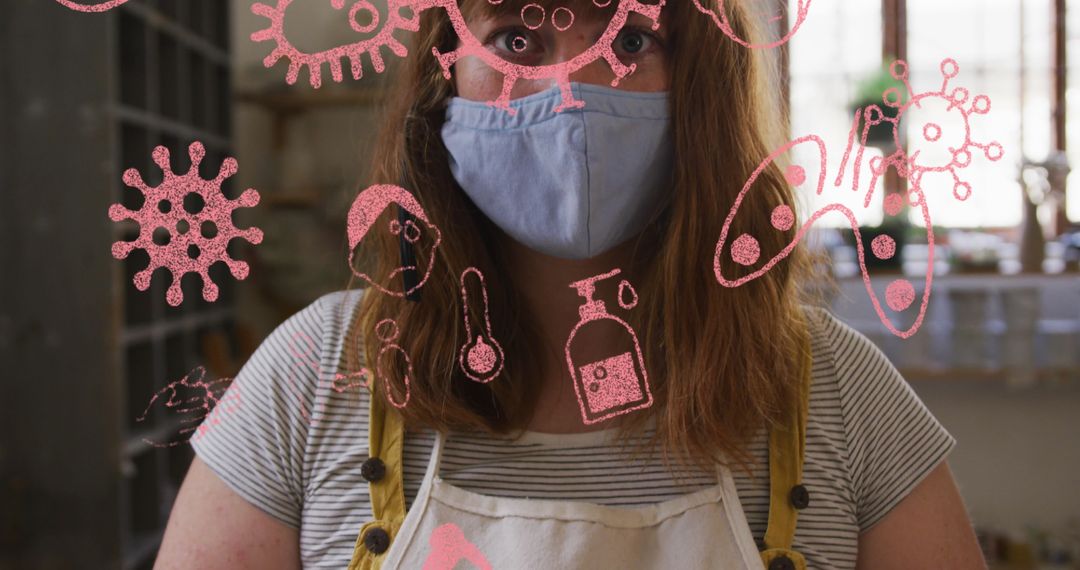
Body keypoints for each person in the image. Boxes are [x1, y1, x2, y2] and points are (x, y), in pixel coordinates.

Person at [156, 1, 985, 568]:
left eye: (628, 42)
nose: (572, 94)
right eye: (517, 39)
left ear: (701, 84)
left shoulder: (832, 388)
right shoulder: (315, 374)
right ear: (443, 76)